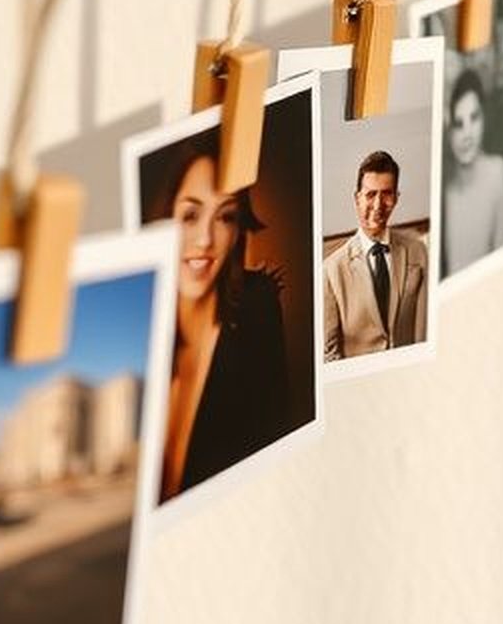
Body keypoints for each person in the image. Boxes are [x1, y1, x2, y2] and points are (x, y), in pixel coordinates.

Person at [152, 144, 289, 501]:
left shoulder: (257, 311)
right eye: (190, 216)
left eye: (225, 217)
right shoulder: (131, 331)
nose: (205, 240)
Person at [322, 150, 428, 359]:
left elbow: (424, 329)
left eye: (387, 194)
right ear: (357, 198)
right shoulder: (331, 270)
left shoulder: (418, 251)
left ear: (396, 198)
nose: (378, 205)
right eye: (370, 194)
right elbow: (330, 354)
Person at [441, 66, 503, 276]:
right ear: (448, 129)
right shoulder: (445, 191)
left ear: (484, 118)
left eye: (474, 118)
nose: (467, 134)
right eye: (458, 124)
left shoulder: (498, 172)